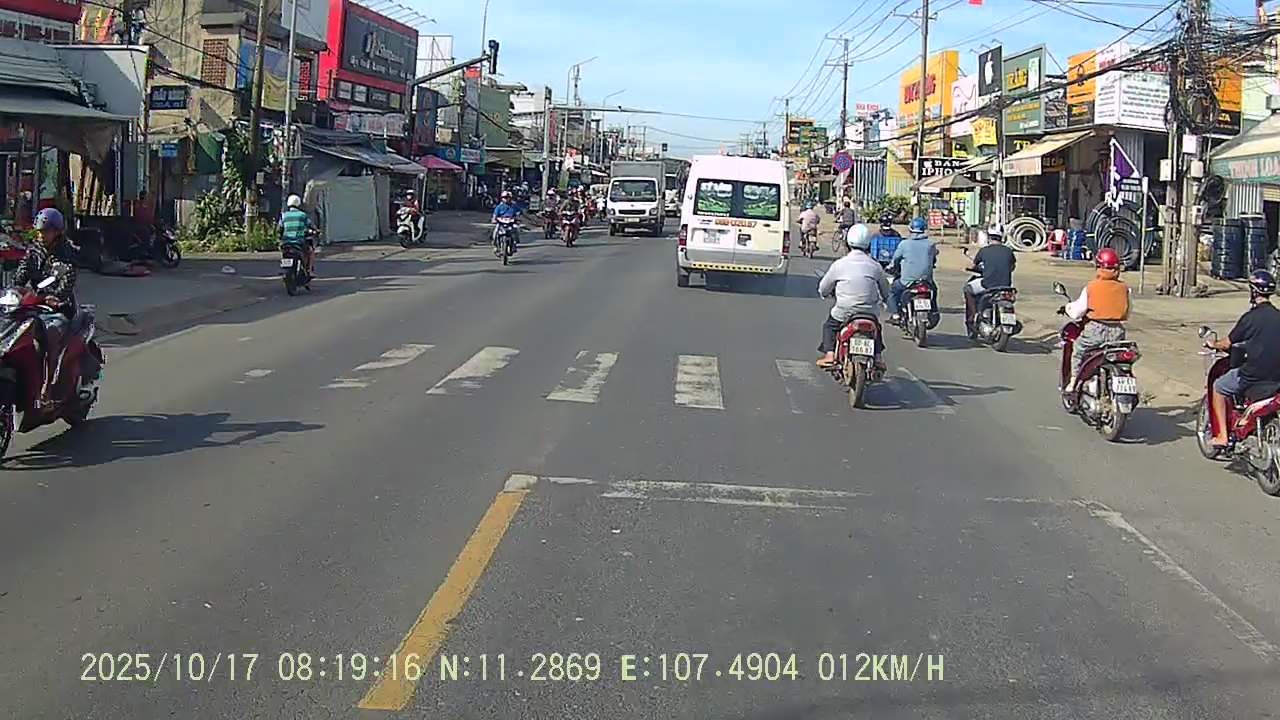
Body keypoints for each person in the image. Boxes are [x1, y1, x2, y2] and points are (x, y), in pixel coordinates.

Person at [1204, 269, 1280, 447]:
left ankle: (1222, 436)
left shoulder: (1250, 318)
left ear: (1254, 291)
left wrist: (1212, 344)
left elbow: (1227, 343)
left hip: (1253, 374)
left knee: (1219, 387)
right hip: (1276, 375)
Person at [14, 208, 80, 407]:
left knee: (50, 334)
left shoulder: (66, 252)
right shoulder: (34, 250)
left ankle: (49, 385)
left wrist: (56, 297)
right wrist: (15, 290)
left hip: (58, 308)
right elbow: (21, 275)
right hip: (34, 304)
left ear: (57, 232)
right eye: (40, 232)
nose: (42, 235)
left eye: (46, 231)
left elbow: (67, 280)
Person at [816, 224, 890, 369]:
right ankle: (878, 357)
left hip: (845, 311)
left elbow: (824, 288)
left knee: (830, 326)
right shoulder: (875, 266)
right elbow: (885, 289)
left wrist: (824, 293)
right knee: (876, 328)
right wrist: (886, 299)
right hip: (869, 312)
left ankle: (830, 354)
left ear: (847, 242)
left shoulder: (839, 264)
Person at [1058, 247, 1130, 392]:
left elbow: (1078, 311)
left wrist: (1067, 309)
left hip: (1096, 329)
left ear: (1098, 266)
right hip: (1118, 331)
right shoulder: (1124, 288)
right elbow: (1128, 311)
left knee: (1078, 349)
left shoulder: (1091, 287)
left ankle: (1073, 382)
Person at [963, 224, 1016, 337]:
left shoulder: (984, 250)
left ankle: (974, 315)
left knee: (968, 289)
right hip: (1006, 286)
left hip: (988, 285)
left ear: (989, 236)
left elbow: (973, 265)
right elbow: (1012, 267)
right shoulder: (1009, 251)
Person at [886, 217, 938, 322]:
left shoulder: (904, 244)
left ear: (910, 229)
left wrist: (890, 267)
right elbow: (933, 259)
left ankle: (895, 315)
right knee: (934, 290)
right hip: (926, 281)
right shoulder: (931, 244)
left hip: (907, 281)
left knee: (892, 292)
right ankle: (933, 309)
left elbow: (895, 259)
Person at [279, 194, 316, 276]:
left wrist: (281, 238)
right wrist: (315, 231)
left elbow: (280, 228)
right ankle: (309, 270)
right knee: (310, 251)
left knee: (284, 252)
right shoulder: (302, 215)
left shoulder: (284, 215)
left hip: (286, 243)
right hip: (299, 242)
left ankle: (284, 265)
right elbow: (310, 225)